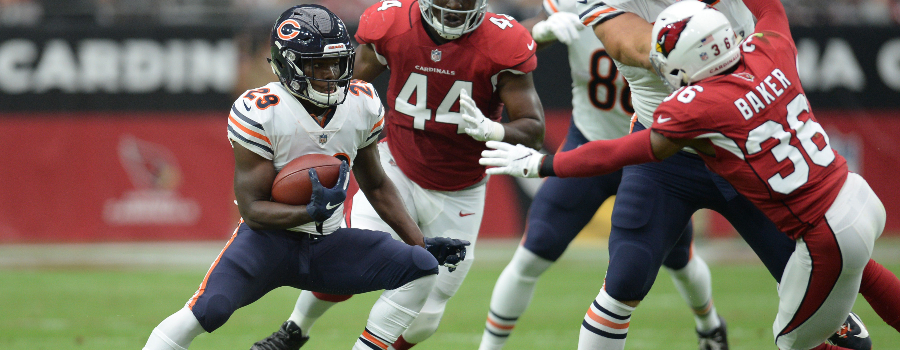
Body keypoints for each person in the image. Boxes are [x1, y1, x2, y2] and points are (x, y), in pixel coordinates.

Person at [481, 0, 896, 349]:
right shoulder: (771, 48)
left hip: (727, 146)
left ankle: (826, 327)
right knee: (625, 275)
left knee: (807, 306)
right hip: (811, 184)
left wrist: (544, 164)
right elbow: (635, 48)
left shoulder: (697, 101)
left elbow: (628, 143)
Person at [141, 5, 468, 350]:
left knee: (420, 265)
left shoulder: (361, 102)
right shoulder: (262, 111)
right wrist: (307, 212)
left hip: (327, 243)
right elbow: (252, 211)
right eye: (317, 64)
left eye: (337, 62)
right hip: (267, 243)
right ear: (288, 64)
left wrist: (418, 240)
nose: (330, 73)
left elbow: (376, 184)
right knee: (209, 309)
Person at [251, 0, 546, 349]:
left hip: (461, 189)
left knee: (426, 319)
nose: (453, 4)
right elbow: (339, 90)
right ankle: (293, 331)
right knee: (342, 269)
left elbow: (533, 127)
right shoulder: (393, 24)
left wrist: (493, 131)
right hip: (395, 170)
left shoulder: (502, 42)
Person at [478, 1, 729, 349]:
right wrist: (541, 30)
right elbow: (516, 41)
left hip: (653, 155)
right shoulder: (576, 2)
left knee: (680, 259)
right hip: (590, 144)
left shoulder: (678, 11)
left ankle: (710, 326)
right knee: (532, 251)